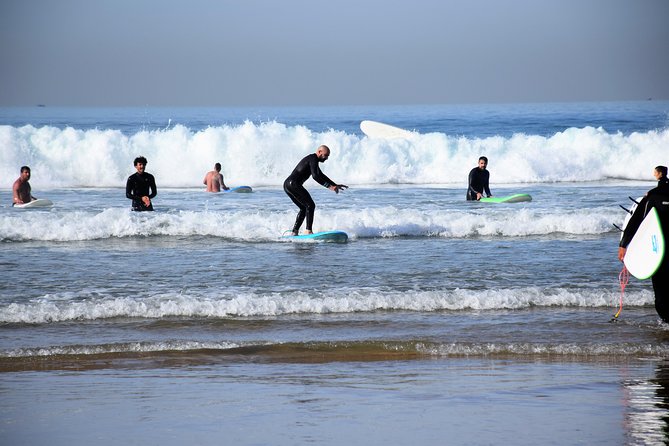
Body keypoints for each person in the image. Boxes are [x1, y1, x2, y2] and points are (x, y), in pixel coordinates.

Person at [618, 165, 669, 322]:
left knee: (660, 288)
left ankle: (666, 321)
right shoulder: (652, 197)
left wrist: (623, 244)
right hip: (660, 248)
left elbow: (635, 221)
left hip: (658, 249)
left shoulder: (651, 197)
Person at [284, 145, 348, 235]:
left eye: (328, 156)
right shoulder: (313, 158)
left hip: (287, 184)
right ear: (319, 152)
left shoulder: (313, 160)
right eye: (325, 155)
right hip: (293, 184)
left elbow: (321, 175)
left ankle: (294, 232)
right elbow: (315, 176)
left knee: (303, 208)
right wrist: (329, 187)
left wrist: (334, 185)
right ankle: (308, 231)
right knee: (310, 205)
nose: (326, 158)